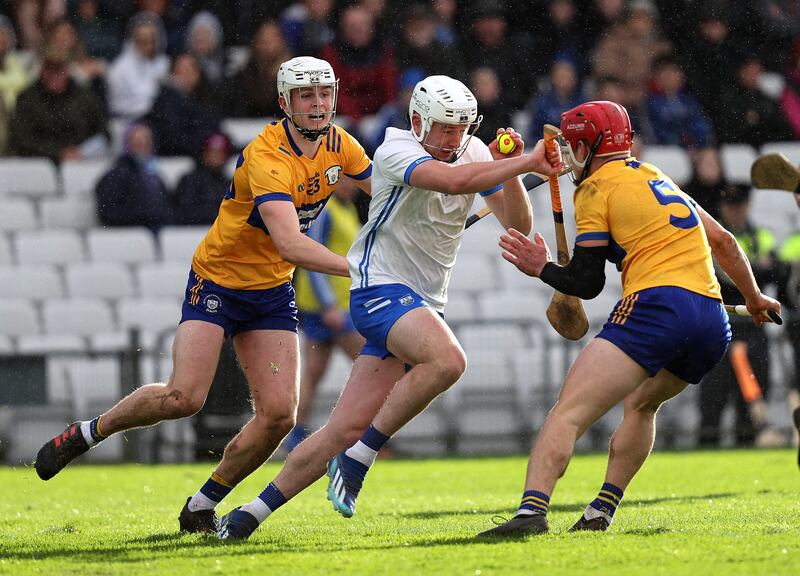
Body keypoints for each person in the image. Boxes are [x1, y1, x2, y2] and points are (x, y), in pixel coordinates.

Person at [33, 56, 373, 535]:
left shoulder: (341, 143)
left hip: (271, 291)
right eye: (306, 95)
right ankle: (90, 432)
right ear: (285, 102)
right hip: (219, 281)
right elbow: (290, 243)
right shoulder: (266, 155)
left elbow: (390, 191)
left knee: (279, 416)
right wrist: (362, 268)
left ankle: (202, 503)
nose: (318, 105)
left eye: (324, 94)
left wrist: (450, 187)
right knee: (184, 396)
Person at [215, 74, 562, 541]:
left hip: (422, 301)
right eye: (442, 127)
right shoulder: (395, 150)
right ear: (418, 121)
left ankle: (247, 516)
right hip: (377, 288)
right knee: (448, 361)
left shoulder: (476, 154)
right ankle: (362, 456)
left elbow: (517, 225)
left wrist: (513, 170)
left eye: (461, 128)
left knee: (341, 427)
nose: (452, 138)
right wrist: (526, 159)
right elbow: (455, 182)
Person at [479, 101, 780, 537]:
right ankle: (601, 510)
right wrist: (753, 298)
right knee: (642, 403)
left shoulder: (596, 188)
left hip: (658, 307)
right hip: (713, 318)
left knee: (569, 412)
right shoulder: (657, 176)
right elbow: (725, 242)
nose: (568, 154)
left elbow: (586, 282)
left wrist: (540, 267)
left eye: (572, 144)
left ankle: (531, 513)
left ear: (589, 144)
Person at [283, 176, 366, 452]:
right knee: (370, 364)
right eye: (345, 180)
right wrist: (328, 304)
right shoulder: (325, 210)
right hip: (328, 306)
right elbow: (312, 256)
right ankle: (362, 434)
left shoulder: (348, 208)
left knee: (314, 373)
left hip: (340, 301)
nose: (350, 185)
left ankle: (297, 435)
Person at [698, 186, 777, 447]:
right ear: (723, 208)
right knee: (713, 393)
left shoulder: (761, 235)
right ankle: (708, 443)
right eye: (731, 205)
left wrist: (744, 275)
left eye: (740, 204)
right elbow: (719, 274)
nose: (736, 210)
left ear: (747, 206)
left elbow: (772, 270)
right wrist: (753, 271)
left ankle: (749, 440)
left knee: (753, 392)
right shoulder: (715, 236)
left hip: (752, 326)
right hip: (721, 324)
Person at [96, 120, 171, 232]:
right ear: (127, 144)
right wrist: (144, 216)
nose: (142, 145)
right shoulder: (117, 174)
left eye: (146, 141)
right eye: (137, 142)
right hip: (131, 234)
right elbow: (108, 212)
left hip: (158, 231)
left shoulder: (155, 175)